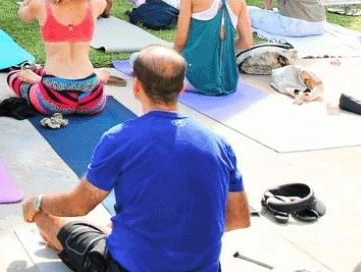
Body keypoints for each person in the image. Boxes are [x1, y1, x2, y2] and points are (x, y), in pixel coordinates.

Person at [20, 46, 249, 272]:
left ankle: (39, 212)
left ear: (137, 86)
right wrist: (178, 238)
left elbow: (78, 204)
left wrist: (38, 202)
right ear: (181, 88)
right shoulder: (219, 143)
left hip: (128, 266)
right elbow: (239, 218)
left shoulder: (119, 138)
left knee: (47, 219)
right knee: (107, 226)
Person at [11, 0, 118, 116]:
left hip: (53, 98)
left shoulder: (41, 5)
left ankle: (39, 80)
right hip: (92, 97)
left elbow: (22, 11)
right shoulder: (94, 4)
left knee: (15, 77)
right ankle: (94, 76)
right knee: (40, 70)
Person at [173, 0, 253, 96]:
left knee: (139, 59)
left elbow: (180, 40)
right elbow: (247, 42)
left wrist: (170, 62)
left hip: (195, 79)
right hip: (229, 81)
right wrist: (220, 45)